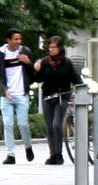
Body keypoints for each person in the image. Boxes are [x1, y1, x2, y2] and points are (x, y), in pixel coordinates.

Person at [34, 36, 82, 165]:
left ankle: (59, 154)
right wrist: (37, 70)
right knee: (49, 127)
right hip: (48, 97)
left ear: (60, 48)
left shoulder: (67, 63)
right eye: (50, 47)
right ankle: (53, 154)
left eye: (54, 47)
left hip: (62, 97)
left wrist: (82, 88)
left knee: (56, 125)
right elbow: (38, 79)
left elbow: (75, 78)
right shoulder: (44, 62)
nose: (51, 49)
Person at [0, 31, 37, 164]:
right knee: (8, 125)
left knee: (23, 124)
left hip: (22, 94)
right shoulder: (0, 54)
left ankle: (28, 146)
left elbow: (34, 73)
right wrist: (5, 90)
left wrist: (28, 62)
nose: (18, 42)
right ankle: (10, 154)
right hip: (7, 96)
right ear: (8, 40)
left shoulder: (25, 51)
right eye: (15, 39)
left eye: (20, 39)